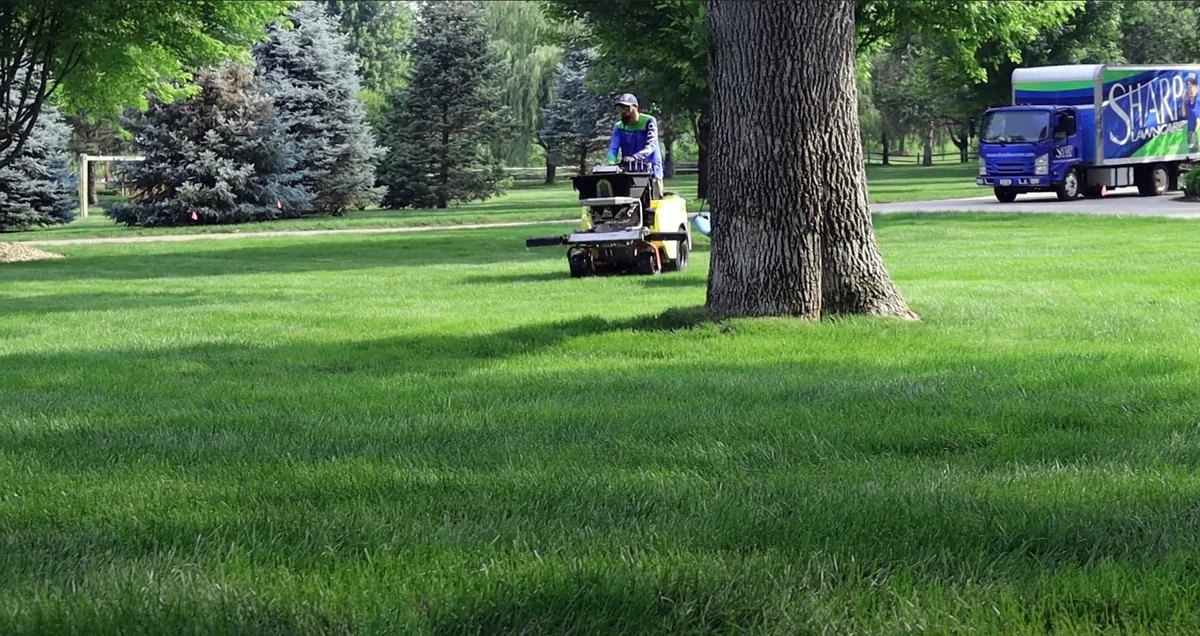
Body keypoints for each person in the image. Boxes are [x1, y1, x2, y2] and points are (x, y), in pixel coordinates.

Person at [606, 93, 664, 199]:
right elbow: (613, 148)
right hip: (629, 172)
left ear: (636, 107)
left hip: (650, 169)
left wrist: (635, 157)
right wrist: (611, 162)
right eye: (621, 108)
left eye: (627, 108)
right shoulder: (619, 126)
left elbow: (651, 146)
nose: (624, 111)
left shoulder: (649, 121)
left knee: (653, 202)